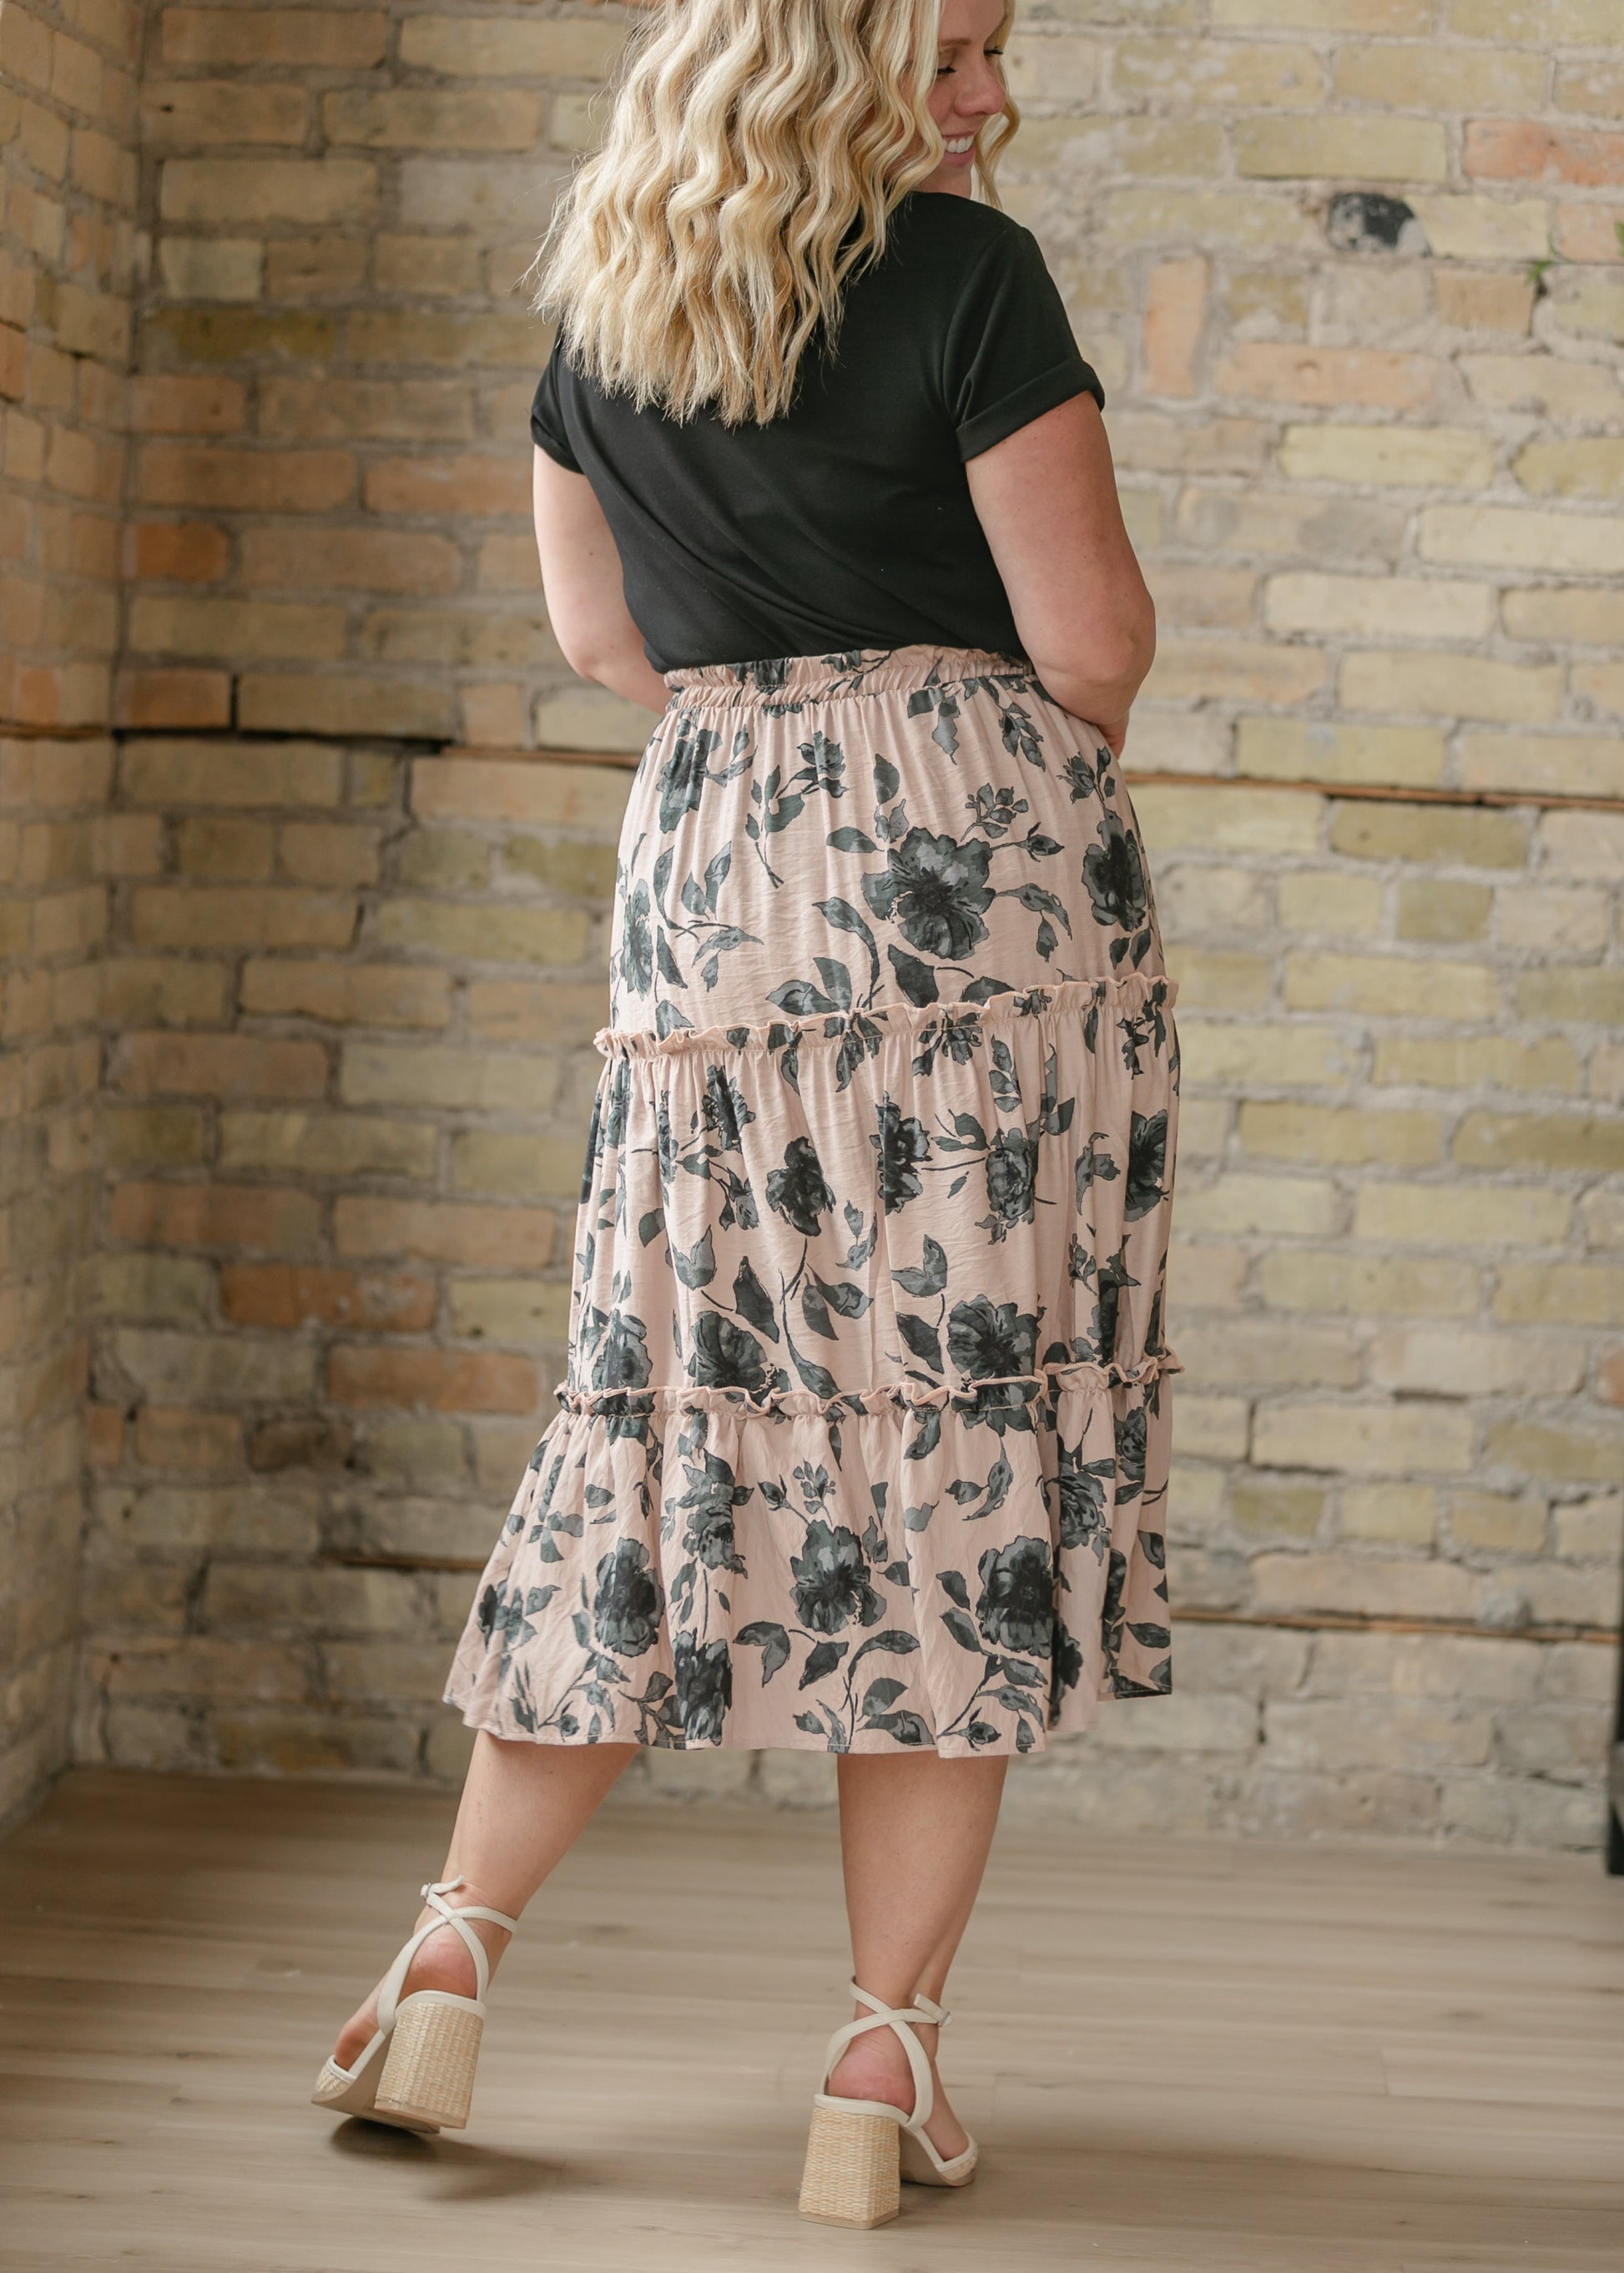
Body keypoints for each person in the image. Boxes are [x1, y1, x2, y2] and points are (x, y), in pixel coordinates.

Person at [312, 0, 1178, 2229]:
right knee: (954, 1435)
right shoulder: (967, 278)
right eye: (954, 50)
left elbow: (599, 640)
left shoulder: (610, 298)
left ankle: (446, 1957)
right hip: (970, 872)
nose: (989, 95)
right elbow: (1093, 639)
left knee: (665, 1397)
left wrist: (772, 726)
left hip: (713, 876)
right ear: (833, 50)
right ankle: (880, 2064)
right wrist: (955, 745)